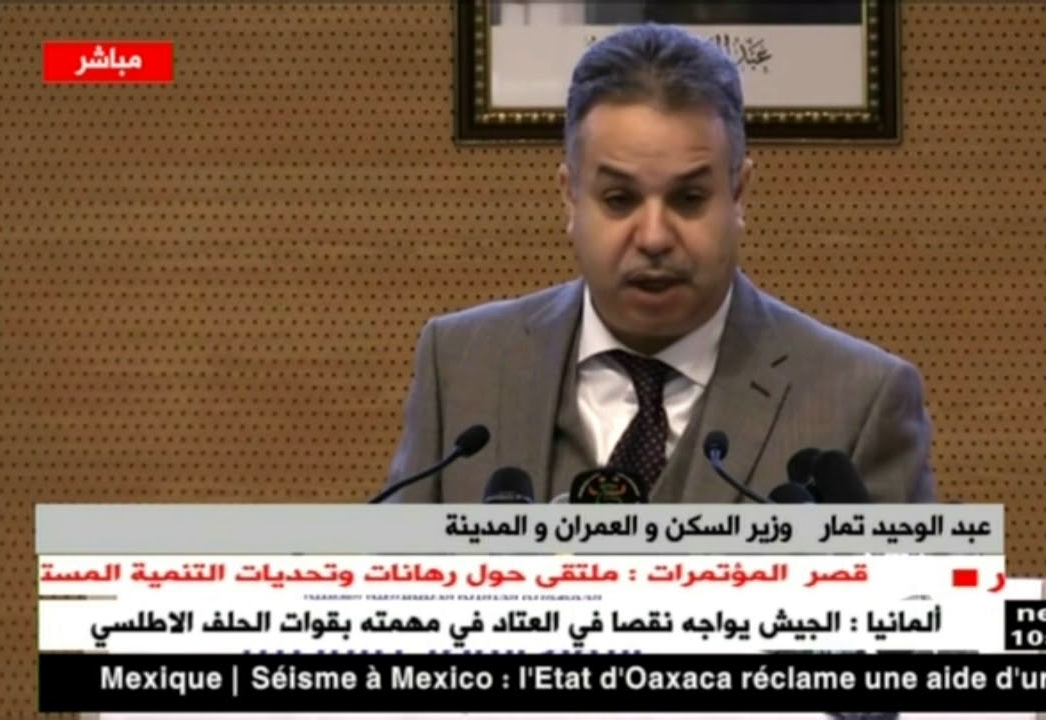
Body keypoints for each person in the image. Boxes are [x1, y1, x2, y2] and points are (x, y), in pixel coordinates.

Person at [385, 24, 933, 505]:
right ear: (570, 198)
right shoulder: (461, 366)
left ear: (738, 194)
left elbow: (910, 592)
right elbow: (395, 575)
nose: (653, 238)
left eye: (689, 199)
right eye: (619, 199)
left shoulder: (860, 400)